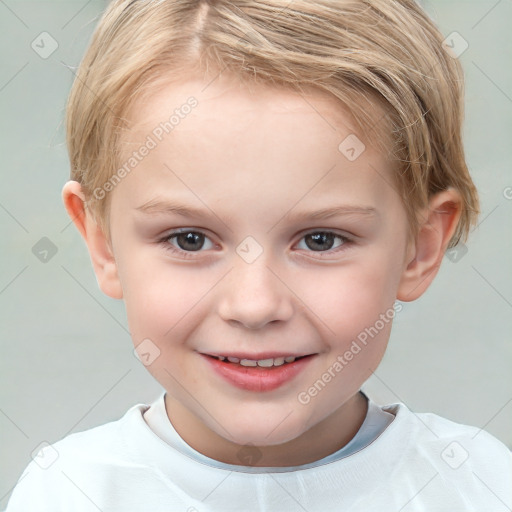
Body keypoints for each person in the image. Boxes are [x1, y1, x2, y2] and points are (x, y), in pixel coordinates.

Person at [7, 0, 512, 510]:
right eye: (189, 239)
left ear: (420, 248)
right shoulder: (66, 493)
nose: (254, 305)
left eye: (320, 240)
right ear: (103, 244)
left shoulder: (482, 487)